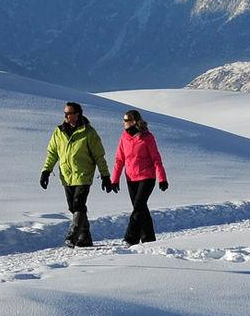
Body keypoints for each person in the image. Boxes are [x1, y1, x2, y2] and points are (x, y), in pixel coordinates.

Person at [40, 100, 110, 247]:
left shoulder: (89, 132)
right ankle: (85, 237)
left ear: (77, 114)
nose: (66, 116)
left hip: (83, 175)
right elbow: (52, 153)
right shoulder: (59, 131)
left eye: (69, 113)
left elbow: (99, 156)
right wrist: (46, 171)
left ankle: (73, 235)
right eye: (65, 113)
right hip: (66, 176)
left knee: (78, 204)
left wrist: (105, 175)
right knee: (73, 207)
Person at [110, 108, 169, 245]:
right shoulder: (124, 137)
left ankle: (131, 238)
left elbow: (156, 159)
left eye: (126, 120)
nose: (123, 123)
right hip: (131, 178)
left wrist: (162, 178)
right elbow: (119, 159)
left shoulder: (147, 137)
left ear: (134, 121)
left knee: (138, 207)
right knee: (141, 208)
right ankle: (148, 238)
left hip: (147, 177)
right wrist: (115, 179)